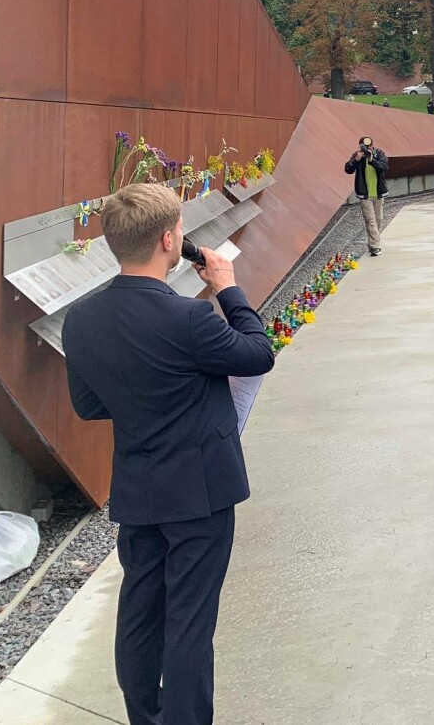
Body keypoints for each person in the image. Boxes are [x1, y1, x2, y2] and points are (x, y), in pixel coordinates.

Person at [63, 185, 275, 725]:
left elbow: (88, 405)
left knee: (140, 614)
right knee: (189, 622)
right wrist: (228, 289)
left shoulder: (81, 318)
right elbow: (257, 354)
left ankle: (146, 716)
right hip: (200, 493)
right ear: (168, 239)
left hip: (138, 491)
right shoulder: (189, 319)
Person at [344, 135, 388, 257]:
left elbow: (384, 167)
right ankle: (375, 247)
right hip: (365, 194)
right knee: (371, 220)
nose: (367, 149)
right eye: (365, 147)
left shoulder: (379, 154)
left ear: (373, 145)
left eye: (369, 146)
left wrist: (372, 159)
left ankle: (371, 243)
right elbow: (348, 169)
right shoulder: (357, 155)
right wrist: (356, 159)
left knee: (378, 219)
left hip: (378, 193)